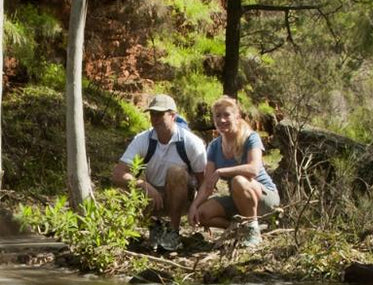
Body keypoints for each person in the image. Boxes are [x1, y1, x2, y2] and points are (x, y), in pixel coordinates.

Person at [112, 93, 207, 252]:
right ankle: (154, 226)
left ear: (173, 115)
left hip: (184, 199)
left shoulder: (191, 142)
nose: (155, 119)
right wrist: (144, 185)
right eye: (152, 114)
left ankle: (173, 232)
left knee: (175, 172)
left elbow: (204, 181)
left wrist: (200, 209)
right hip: (153, 196)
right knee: (122, 190)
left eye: (159, 114)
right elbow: (118, 174)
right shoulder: (143, 139)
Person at [188, 95, 280, 247]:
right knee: (203, 213)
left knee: (239, 180)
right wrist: (194, 206)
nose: (222, 120)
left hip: (264, 197)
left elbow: (253, 169)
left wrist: (221, 171)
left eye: (226, 115)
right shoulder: (214, 146)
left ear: (237, 117)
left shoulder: (251, 138)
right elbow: (208, 184)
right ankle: (239, 229)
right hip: (238, 199)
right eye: (218, 116)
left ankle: (252, 230)